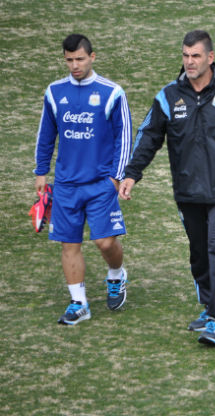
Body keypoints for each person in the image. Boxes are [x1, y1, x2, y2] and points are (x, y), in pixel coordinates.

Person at [119, 30, 215, 345]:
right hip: (187, 191)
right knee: (198, 253)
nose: (189, 62)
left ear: (210, 58)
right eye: (185, 56)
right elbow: (149, 136)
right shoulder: (169, 96)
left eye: (196, 56)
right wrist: (132, 173)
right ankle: (208, 304)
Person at [34, 34, 132, 325]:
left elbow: (124, 137)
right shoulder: (54, 92)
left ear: (92, 57)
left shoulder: (111, 92)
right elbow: (45, 135)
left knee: (104, 242)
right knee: (69, 244)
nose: (74, 65)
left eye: (79, 59)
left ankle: (116, 275)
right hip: (65, 185)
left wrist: (116, 179)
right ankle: (79, 303)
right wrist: (41, 172)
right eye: (69, 60)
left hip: (101, 183)